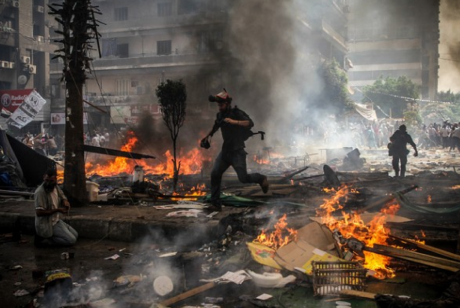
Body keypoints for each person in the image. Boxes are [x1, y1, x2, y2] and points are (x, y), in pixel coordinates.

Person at [201, 89, 269, 212]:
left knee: (243, 178)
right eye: (218, 105)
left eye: (221, 105)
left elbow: (250, 123)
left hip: (237, 152)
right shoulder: (220, 115)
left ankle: (261, 178)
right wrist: (207, 137)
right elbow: (215, 127)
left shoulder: (236, 113)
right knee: (215, 174)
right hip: (226, 152)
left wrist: (234, 122)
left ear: (227, 104)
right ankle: (216, 204)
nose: (220, 107)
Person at [34, 168, 78, 247]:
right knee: (71, 240)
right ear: (44, 177)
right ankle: (45, 240)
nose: (48, 183)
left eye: (51, 181)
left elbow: (62, 195)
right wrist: (57, 210)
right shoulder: (40, 192)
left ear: (55, 180)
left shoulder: (55, 187)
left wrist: (65, 201)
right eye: (46, 180)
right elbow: (39, 212)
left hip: (56, 220)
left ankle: (52, 235)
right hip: (48, 223)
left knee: (76, 235)